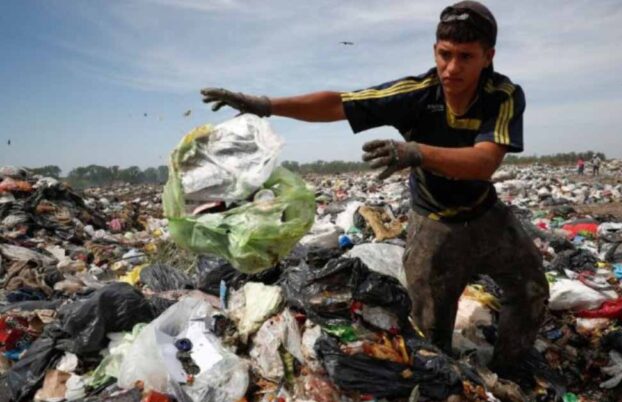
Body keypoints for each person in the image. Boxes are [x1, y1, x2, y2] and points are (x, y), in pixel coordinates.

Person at [200, 1, 548, 377]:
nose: (452, 68)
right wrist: (265, 104)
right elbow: (338, 104)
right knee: (430, 333)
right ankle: (452, 386)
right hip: (435, 223)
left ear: (488, 57)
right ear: (435, 50)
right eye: (445, 54)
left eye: (466, 57)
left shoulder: (503, 95)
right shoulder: (415, 94)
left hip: (487, 215)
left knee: (530, 289)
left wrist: (415, 152)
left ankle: (511, 371)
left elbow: (484, 162)